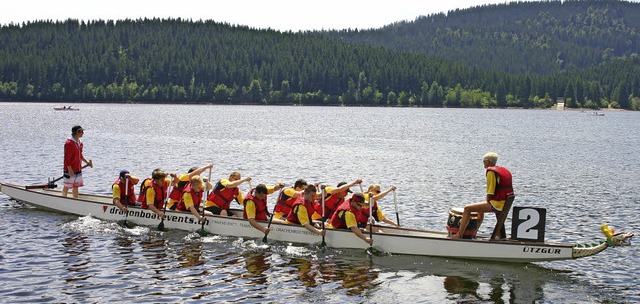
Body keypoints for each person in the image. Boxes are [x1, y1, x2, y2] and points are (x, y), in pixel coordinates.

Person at [451, 152, 513, 239]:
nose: (483, 163)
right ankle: (474, 233)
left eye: (484, 161)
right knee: (480, 210)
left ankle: (459, 234)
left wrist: (488, 201)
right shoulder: (500, 170)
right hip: (503, 203)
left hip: (497, 204)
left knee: (467, 208)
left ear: (488, 161)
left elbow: (490, 192)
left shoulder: (491, 172)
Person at [62, 125, 92, 198]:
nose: (83, 133)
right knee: (67, 186)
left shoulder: (80, 143)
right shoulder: (69, 143)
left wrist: (87, 162)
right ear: (77, 132)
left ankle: (75, 200)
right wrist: (69, 169)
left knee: (76, 186)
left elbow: (80, 155)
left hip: (78, 168)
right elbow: (67, 158)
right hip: (70, 169)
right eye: (82, 131)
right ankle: (63, 199)